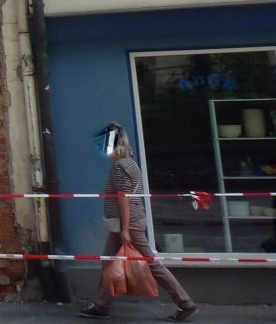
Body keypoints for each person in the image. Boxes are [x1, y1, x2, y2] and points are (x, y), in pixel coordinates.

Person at [79, 123, 197, 321]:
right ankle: (102, 305)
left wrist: (125, 229)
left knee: (152, 264)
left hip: (127, 224)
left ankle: (185, 303)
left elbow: (124, 198)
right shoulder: (129, 162)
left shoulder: (121, 166)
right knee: (108, 261)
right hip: (124, 223)